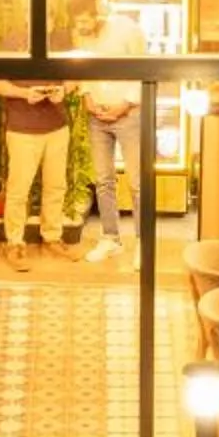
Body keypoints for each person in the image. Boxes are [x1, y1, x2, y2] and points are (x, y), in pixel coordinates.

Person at [0, 73, 74, 269]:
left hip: (58, 128)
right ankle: (15, 243)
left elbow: (75, 78)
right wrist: (25, 93)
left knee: (56, 186)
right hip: (21, 131)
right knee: (18, 191)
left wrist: (64, 90)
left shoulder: (59, 49)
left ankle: (52, 238)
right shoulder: (10, 51)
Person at [80, 15, 146, 263]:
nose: (81, 26)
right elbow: (83, 69)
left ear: (97, 10)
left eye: (83, 20)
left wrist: (124, 105)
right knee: (103, 180)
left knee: (138, 182)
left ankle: (143, 243)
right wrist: (88, 98)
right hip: (97, 117)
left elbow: (142, 70)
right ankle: (110, 238)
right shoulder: (85, 36)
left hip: (129, 115)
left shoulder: (127, 29)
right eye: (78, 22)